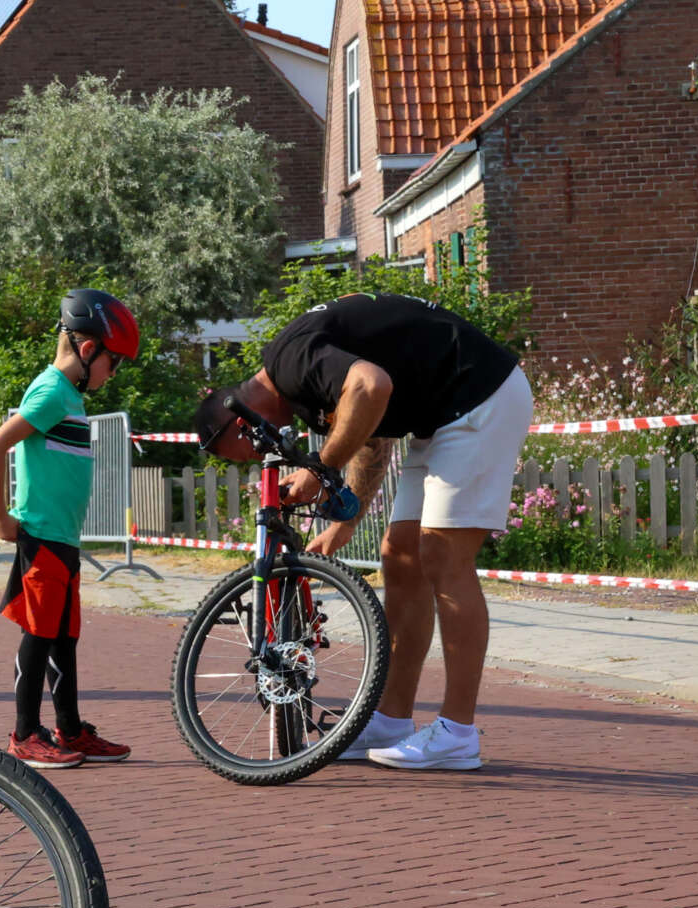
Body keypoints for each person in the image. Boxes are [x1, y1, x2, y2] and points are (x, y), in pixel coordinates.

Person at [193, 291, 533, 772]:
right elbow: (372, 437)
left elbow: (371, 386)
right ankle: (391, 720)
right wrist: (344, 524)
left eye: (249, 450)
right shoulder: (302, 387)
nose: (267, 452)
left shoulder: (288, 361)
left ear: (239, 422)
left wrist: (320, 466)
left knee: (444, 557)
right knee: (401, 556)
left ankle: (458, 733)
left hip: (479, 395)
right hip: (441, 414)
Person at [0, 290, 140, 770]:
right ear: (88, 350)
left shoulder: (68, 396)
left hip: (64, 539)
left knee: (63, 639)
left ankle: (69, 729)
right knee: (38, 636)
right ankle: (24, 735)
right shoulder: (51, 391)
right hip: (43, 537)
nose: (114, 373)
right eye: (114, 362)